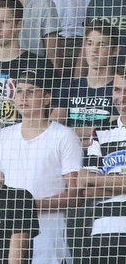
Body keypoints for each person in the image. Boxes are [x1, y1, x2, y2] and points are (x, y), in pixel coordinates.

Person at [0, 68, 83, 264]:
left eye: (31, 91)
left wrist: (28, 206)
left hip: (50, 243)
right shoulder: (1, 137)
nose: (24, 97)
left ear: (47, 98)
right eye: (20, 91)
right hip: (9, 242)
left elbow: (75, 195)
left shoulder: (64, 136)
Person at [0, 0, 58, 143]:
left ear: (19, 25)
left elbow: (52, 112)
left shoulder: (39, 65)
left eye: (5, 21)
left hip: (26, 148)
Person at [68, 64, 126, 263]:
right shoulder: (101, 131)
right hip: (104, 234)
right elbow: (84, 185)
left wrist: (102, 180)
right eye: (117, 90)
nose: (122, 98)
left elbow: (94, 182)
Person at [53, 21, 120, 140]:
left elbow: (110, 133)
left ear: (115, 51)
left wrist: (67, 133)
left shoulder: (119, 90)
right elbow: (52, 128)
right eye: (90, 43)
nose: (94, 49)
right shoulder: (69, 88)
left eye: (101, 44)